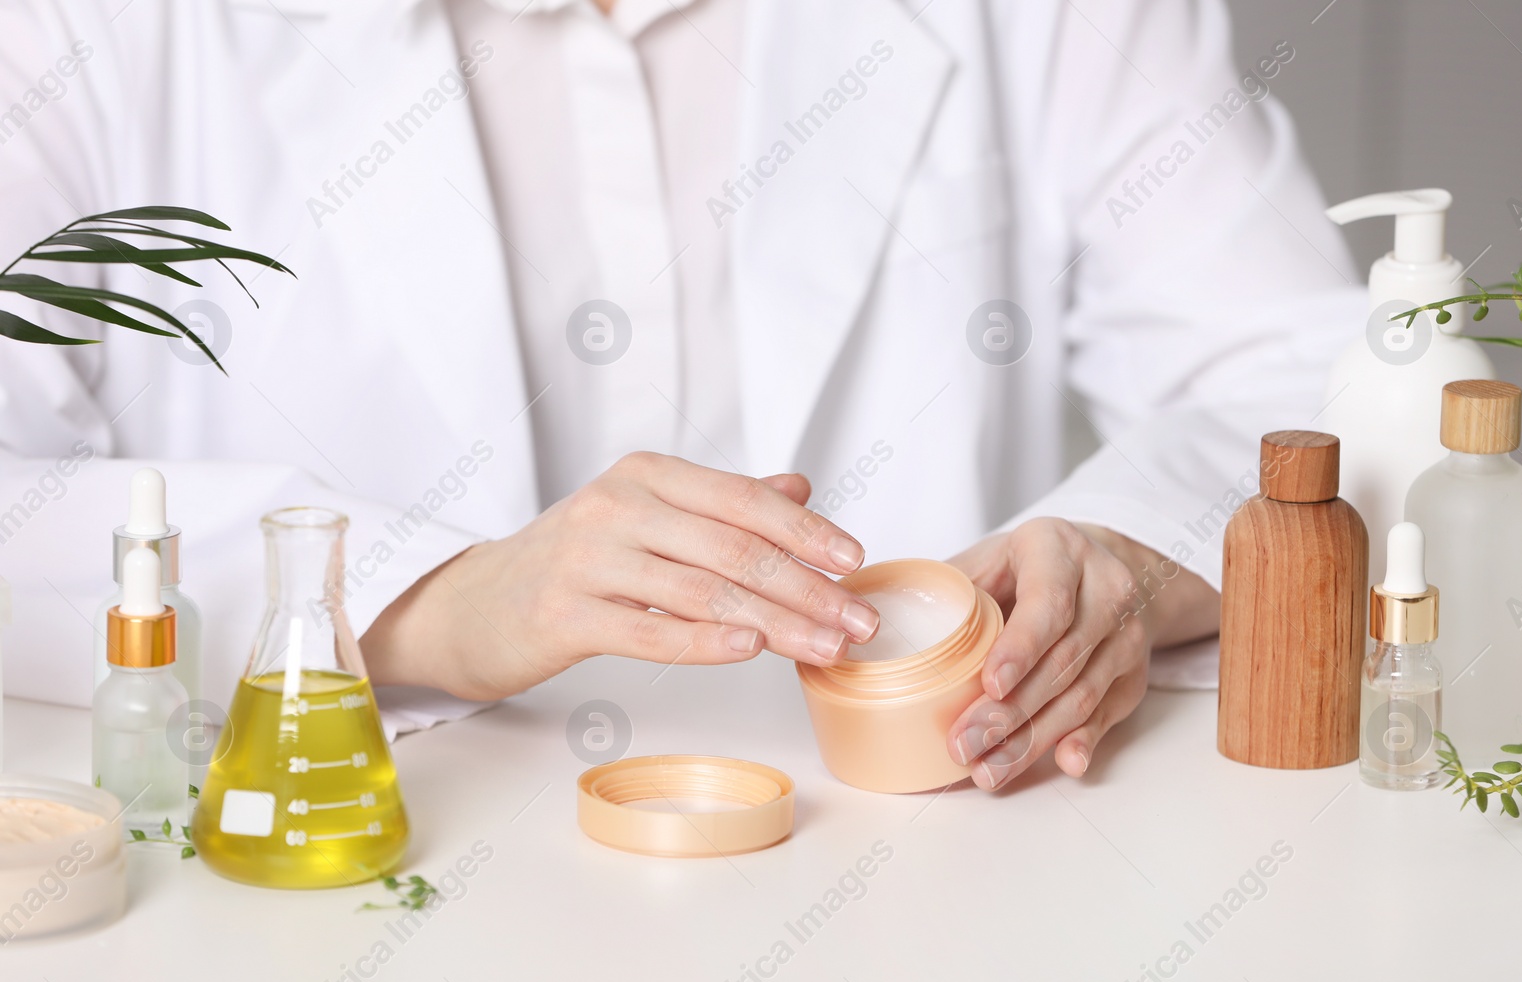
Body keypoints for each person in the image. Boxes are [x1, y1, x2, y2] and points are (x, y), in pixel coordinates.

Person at [0, 0, 1361, 790]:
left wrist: (1132, 555)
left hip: (925, 894)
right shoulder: (95, 28)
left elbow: (1313, 371)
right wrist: (425, 603)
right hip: (350, 891)